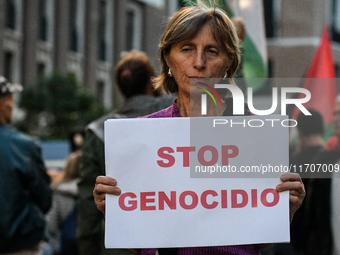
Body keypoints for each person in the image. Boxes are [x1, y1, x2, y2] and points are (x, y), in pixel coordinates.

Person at [93, 3, 305, 255]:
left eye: (212, 51)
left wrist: (284, 211)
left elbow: (259, 241)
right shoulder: (143, 137)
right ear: (168, 59)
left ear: (228, 63)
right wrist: (116, 210)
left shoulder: (257, 134)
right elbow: (138, 244)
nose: (199, 62)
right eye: (187, 49)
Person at [77, 50, 174, 255]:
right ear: (152, 81)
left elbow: (88, 203)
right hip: (172, 240)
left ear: (119, 87)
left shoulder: (97, 131)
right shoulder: (176, 115)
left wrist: (88, 247)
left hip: (120, 245)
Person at [0, 76, 52, 254]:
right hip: (19, 243)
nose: (12, 107)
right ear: (3, 103)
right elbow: (45, 199)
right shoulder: (22, 146)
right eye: (11, 101)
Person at [46, 151, 82, 255]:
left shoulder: (60, 190)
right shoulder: (97, 191)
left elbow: (51, 226)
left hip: (66, 245)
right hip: (93, 245)